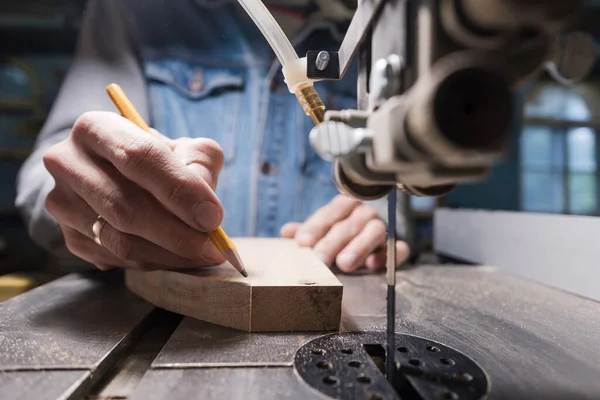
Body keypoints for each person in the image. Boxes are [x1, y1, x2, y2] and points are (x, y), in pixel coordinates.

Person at [15, 0, 409, 273]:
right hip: (151, 309)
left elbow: (408, 185)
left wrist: (380, 216)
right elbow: (45, 181)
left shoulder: (379, 29)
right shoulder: (135, 11)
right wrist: (95, 199)